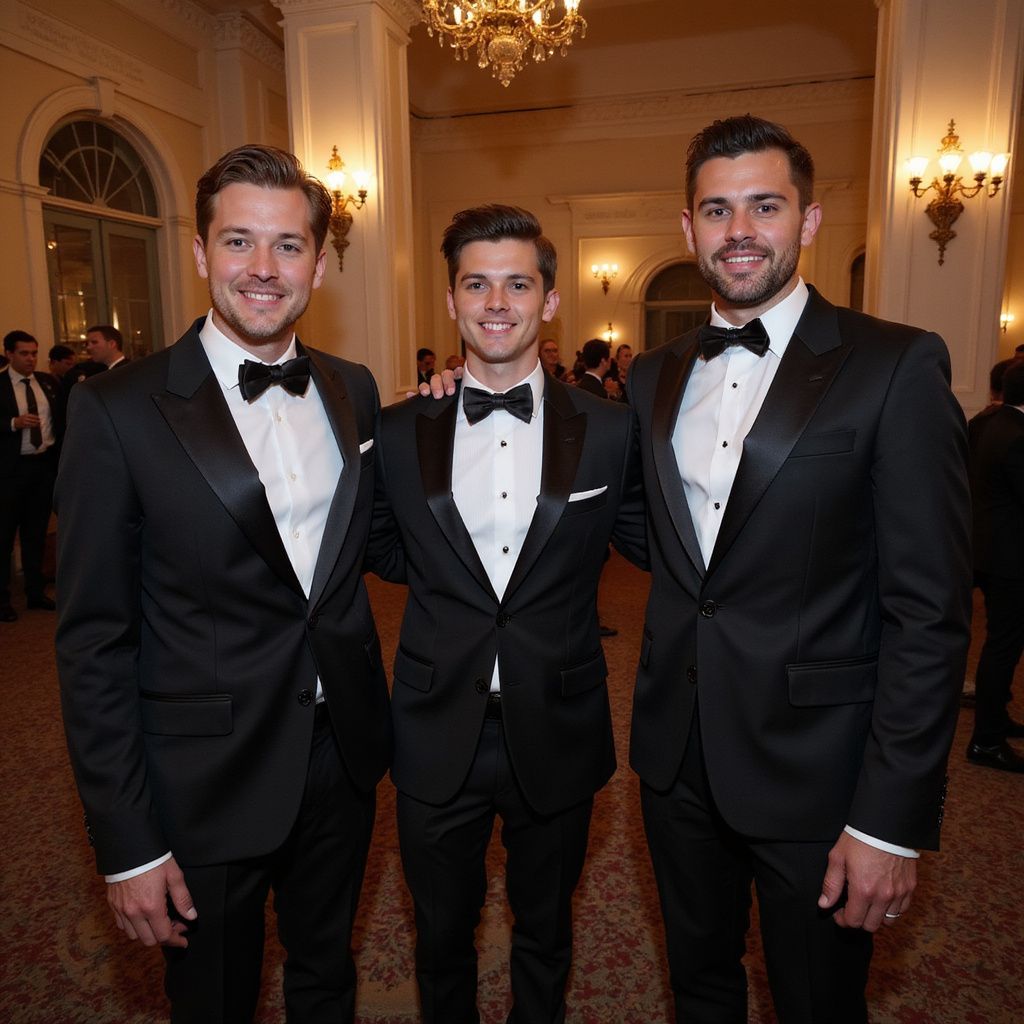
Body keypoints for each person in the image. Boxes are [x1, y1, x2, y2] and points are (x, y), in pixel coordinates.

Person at [626, 115, 971, 1023]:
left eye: (765, 206)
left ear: (808, 220)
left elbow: (929, 612)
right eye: (717, 209)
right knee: (698, 985)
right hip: (676, 756)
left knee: (819, 1000)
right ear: (688, 226)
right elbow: (634, 528)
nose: (739, 230)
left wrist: (889, 818)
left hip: (819, 770)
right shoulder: (650, 375)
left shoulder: (894, 364)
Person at [55, 144, 391, 1024]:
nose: (263, 269)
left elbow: (379, 541)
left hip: (341, 754)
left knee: (328, 971)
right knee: (213, 998)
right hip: (201, 773)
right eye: (238, 241)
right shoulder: (117, 409)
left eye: (288, 246)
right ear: (200, 251)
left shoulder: (352, 389)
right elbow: (93, 640)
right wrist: (127, 847)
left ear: (319, 262)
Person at [369, 204, 645, 1024]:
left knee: (546, 930)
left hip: (558, 719)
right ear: (452, 300)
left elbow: (660, 539)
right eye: (477, 283)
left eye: (518, 283)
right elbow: (380, 547)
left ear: (550, 301)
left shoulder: (612, 430)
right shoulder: (396, 427)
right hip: (430, 721)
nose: (497, 303)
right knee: (439, 935)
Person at [966, 358, 1024, 772]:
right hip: (1010, 559)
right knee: (1002, 647)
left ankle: (996, 719)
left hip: (979, 547)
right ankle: (987, 740)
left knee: (991, 644)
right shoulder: (1019, 436)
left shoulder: (986, 423)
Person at [1, 330, 62, 621]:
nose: (30, 359)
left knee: (36, 533)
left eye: (34, 353)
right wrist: (13, 423)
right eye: (24, 353)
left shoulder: (47, 382)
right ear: (10, 354)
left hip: (42, 468)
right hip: (10, 471)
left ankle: (35, 592)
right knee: (4, 535)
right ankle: (2, 599)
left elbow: (60, 422)